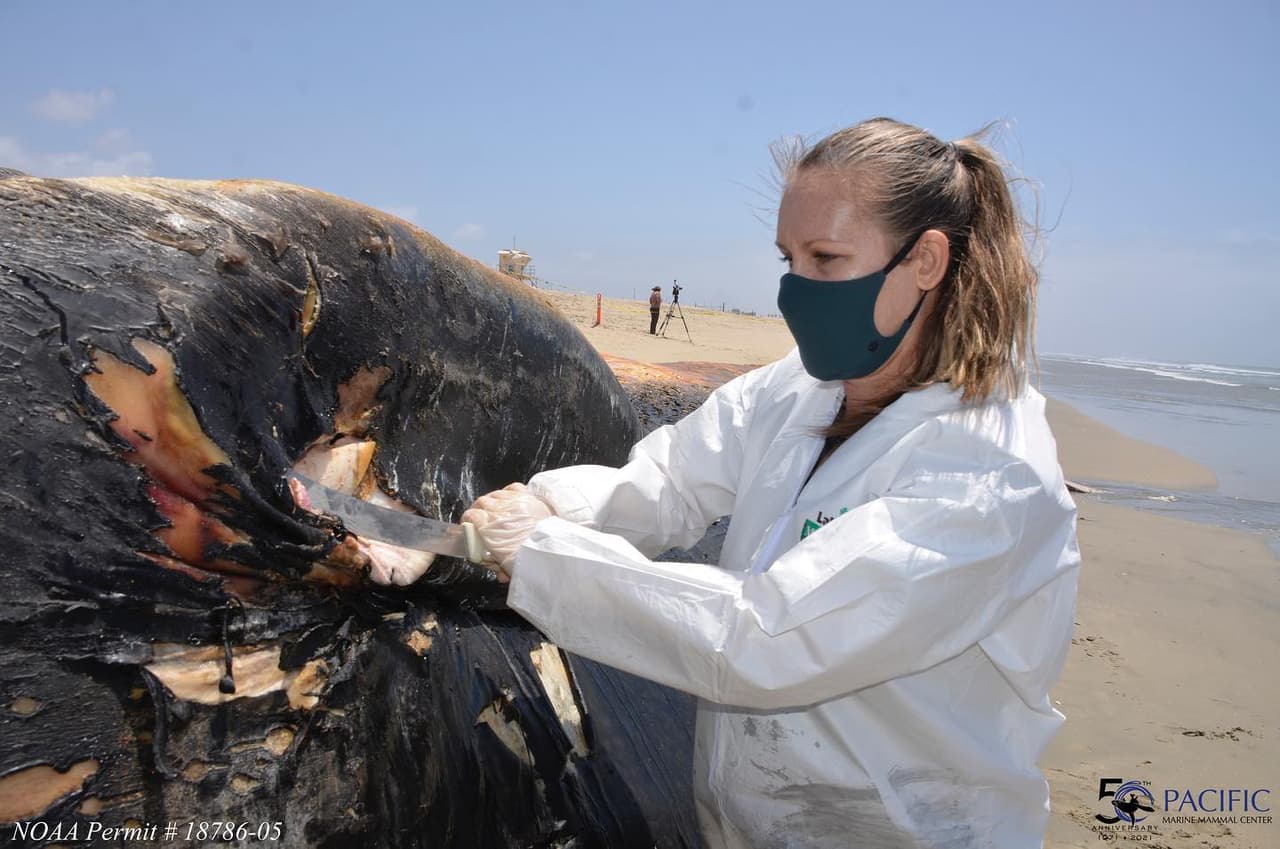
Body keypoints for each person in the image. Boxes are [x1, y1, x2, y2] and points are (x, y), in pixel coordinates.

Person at [458, 118, 1080, 848]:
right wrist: (552, 503)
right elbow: (674, 480)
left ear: (927, 261)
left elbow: (766, 638)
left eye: (827, 258)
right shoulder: (798, 388)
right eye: (790, 258)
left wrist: (546, 555)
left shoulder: (990, 475)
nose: (796, 290)